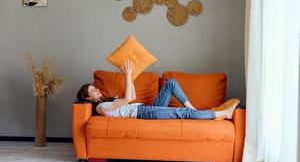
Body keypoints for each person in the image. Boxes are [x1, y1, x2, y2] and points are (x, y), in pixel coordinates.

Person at [76, 60, 240, 120]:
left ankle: (193, 110)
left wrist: (131, 76)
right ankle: (224, 114)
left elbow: (131, 97)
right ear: (88, 99)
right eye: (93, 91)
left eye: (95, 88)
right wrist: (126, 76)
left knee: (171, 83)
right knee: (181, 114)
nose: (97, 90)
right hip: (145, 114)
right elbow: (126, 100)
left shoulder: (106, 102)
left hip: (146, 109)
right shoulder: (100, 107)